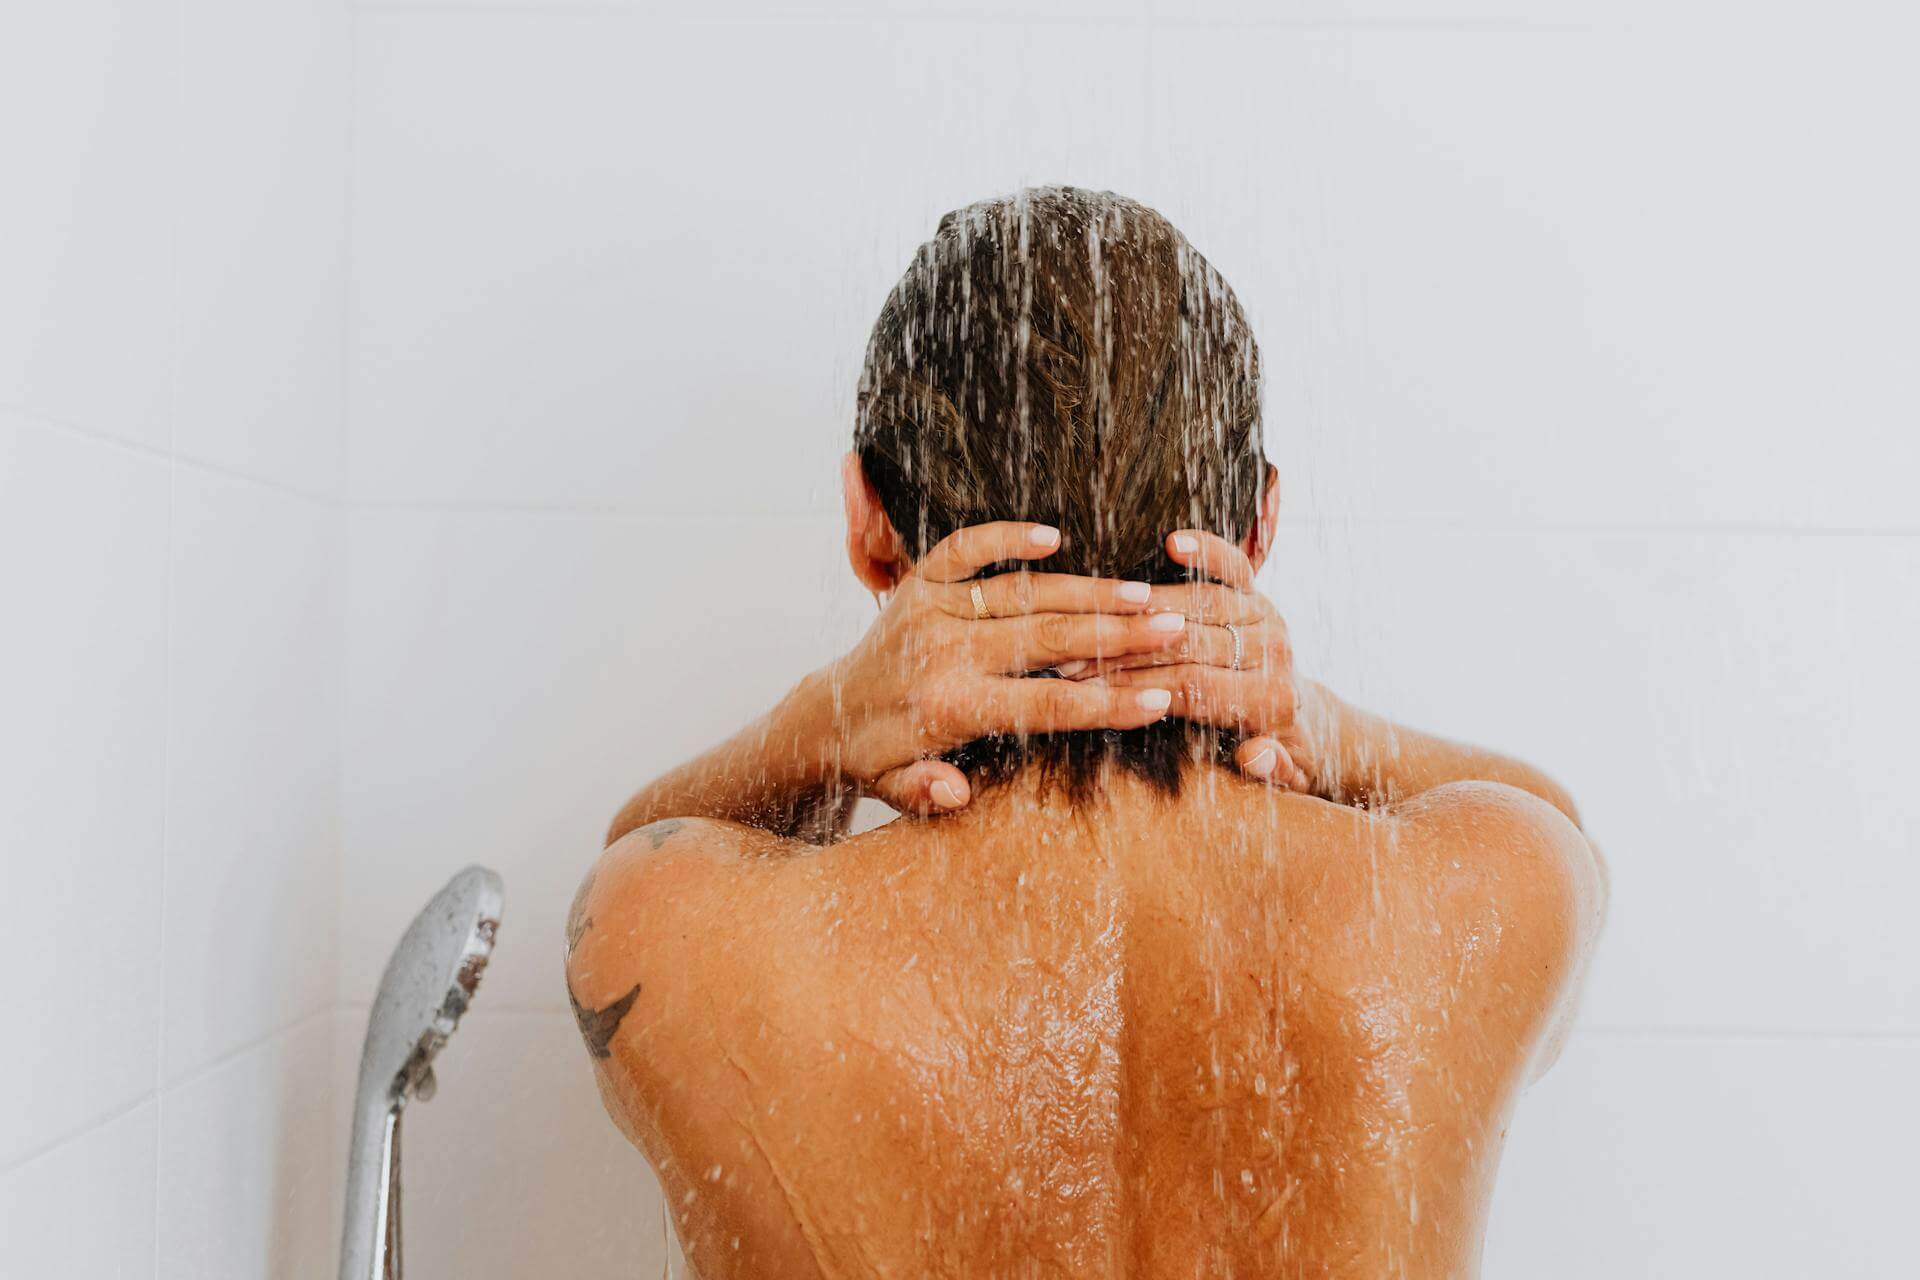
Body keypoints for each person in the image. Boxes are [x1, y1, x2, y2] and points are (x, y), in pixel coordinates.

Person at [565, 187, 1606, 1279]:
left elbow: (641, 856)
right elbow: (1563, 833)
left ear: (869, 522)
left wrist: (819, 725)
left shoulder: (683, 931)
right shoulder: (1486, 893)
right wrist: (1325, 727)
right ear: (1259, 525)